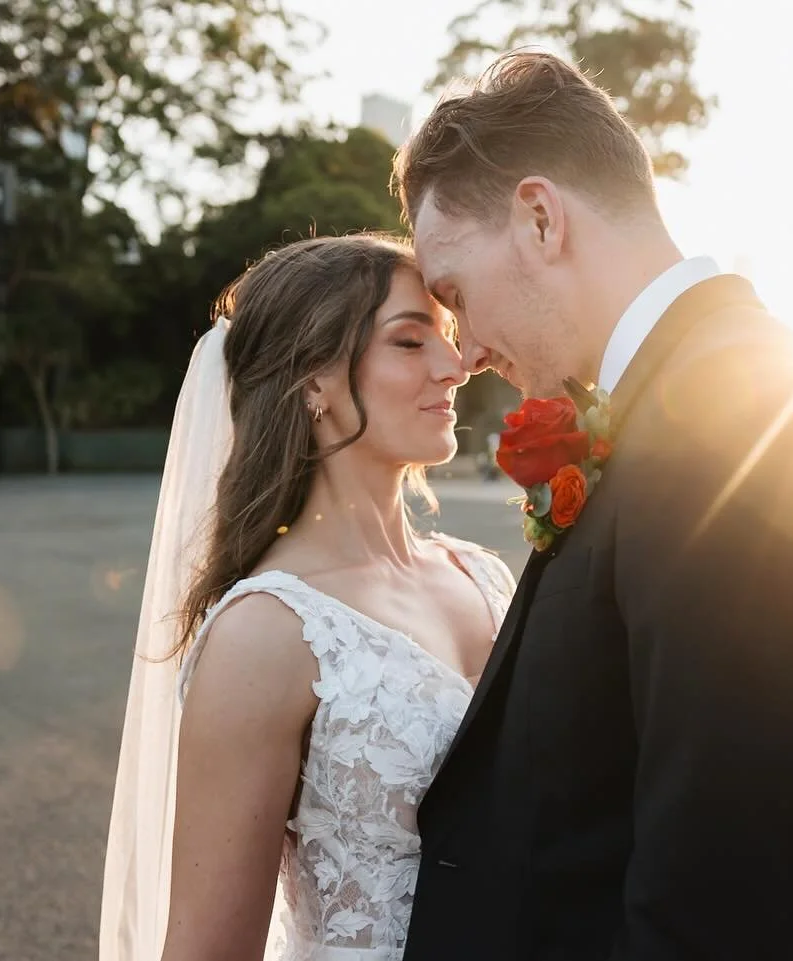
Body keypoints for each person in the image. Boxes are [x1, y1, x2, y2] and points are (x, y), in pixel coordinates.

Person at [394, 52, 793, 960]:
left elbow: (737, 901)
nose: (465, 348)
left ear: (540, 218)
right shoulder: (684, 400)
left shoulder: (742, 419)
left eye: (455, 295)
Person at [98, 234, 516, 961]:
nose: (455, 367)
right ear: (313, 380)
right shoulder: (267, 634)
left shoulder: (483, 576)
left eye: (447, 337)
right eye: (410, 341)